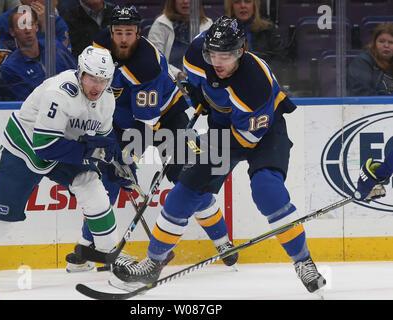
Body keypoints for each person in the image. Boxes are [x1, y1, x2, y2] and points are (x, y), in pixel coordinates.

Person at [111, 16, 327, 295]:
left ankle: (303, 261)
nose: (219, 62)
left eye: (227, 55)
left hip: (263, 132)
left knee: (267, 190)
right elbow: (199, 83)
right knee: (185, 190)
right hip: (225, 128)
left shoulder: (255, 84)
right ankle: (153, 262)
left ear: (241, 51)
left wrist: (206, 146)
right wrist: (200, 95)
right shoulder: (195, 56)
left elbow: (245, 140)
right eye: (213, 54)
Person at [66, 6, 238, 274]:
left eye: (130, 33)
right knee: (107, 178)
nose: (123, 39)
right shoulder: (100, 46)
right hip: (122, 120)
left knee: (188, 179)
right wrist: (118, 160)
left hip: (166, 117)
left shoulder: (147, 65)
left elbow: (146, 125)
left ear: (139, 32)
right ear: (111, 32)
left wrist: (129, 156)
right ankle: (88, 248)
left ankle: (222, 240)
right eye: (119, 32)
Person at [0, 45, 136, 271]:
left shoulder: (107, 99)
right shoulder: (60, 92)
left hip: (66, 147)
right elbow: (45, 147)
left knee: (91, 186)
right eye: (92, 78)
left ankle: (109, 254)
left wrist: (119, 164)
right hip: (26, 148)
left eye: (103, 79)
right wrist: (91, 150)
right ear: (80, 73)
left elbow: (105, 142)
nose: (97, 86)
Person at [0, 9, 76, 101]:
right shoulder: (10, 68)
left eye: (30, 24)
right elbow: (30, 102)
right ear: (12, 32)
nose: (27, 30)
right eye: (21, 26)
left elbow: (77, 74)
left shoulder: (55, 47)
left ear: (36, 27)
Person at [0, 0, 72, 75]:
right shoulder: (4, 22)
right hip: (21, 79)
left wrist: (45, 27)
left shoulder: (56, 22)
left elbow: (66, 62)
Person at [147, 0, 213, 81]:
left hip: (199, 80)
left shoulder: (207, 23)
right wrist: (178, 74)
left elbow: (211, 57)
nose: (185, 1)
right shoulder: (161, 23)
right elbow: (155, 58)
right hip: (168, 80)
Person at [224, 0, 288, 81]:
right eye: (237, 2)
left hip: (264, 80)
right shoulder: (222, 32)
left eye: (247, 1)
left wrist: (264, 72)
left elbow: (281, 59)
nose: (243, 5)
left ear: (254, 5)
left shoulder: (267, 29)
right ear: (231, 7)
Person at [347, 22, 393, 96]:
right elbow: (362, 94)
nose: (386, 45)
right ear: (374, 43)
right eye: (381, 41)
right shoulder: (362, 63)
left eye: (391, 42)